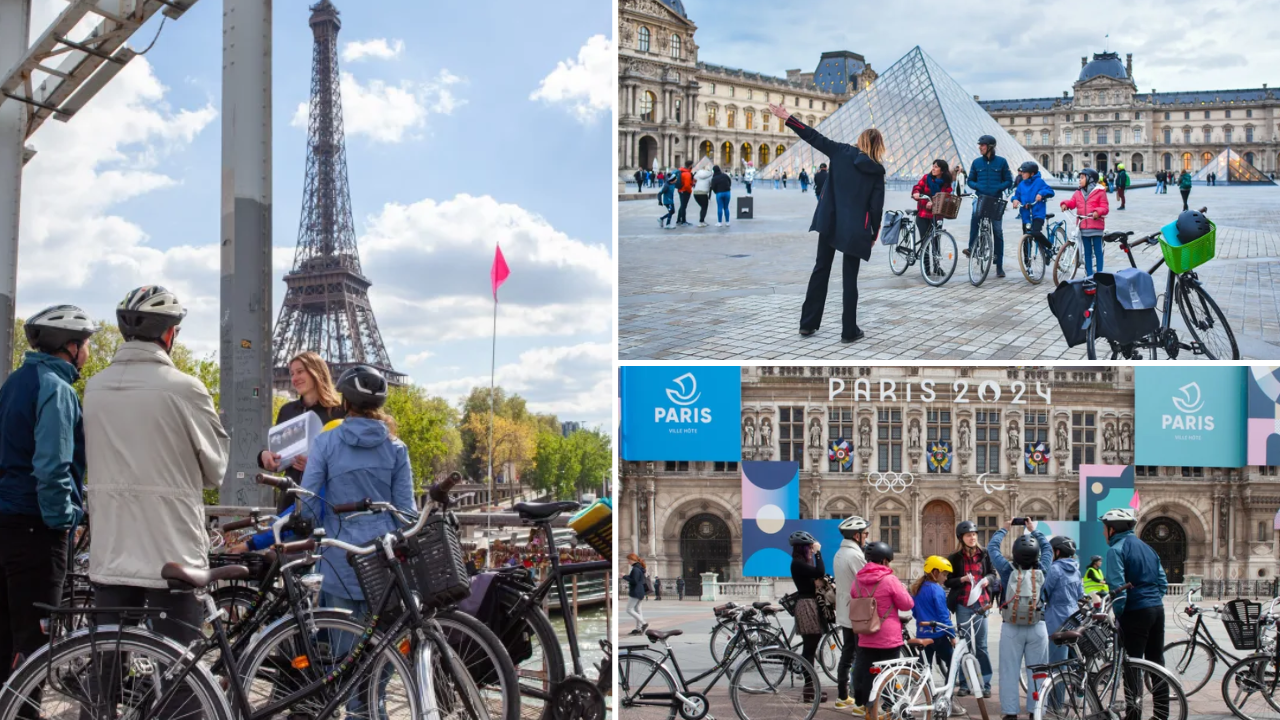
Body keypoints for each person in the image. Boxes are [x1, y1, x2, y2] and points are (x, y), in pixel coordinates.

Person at [83, 286, 229, 717]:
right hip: (171, 550)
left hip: (111, 547)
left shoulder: (94, 387)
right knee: (180, 670)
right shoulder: (186, 389)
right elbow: (215, 470)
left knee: (106, 669)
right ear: (169, 336)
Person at [0, 305, 96, 687]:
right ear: (69, 347)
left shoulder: (14, 383)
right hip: (37, 529)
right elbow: (52, 466)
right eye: (86, 343)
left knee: (6, 635)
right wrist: (65, 519)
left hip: (6, 522)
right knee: (36, 642)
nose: (88, 351)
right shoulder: (56, 389)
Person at [770, 102, 885, 344]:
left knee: (821, 269)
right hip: (856, 229)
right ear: (878, 146)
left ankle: (807, 324)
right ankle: (848, 331)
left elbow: (812, 136)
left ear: (861, 140)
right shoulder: (877, 170)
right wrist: (873, 233)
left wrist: (787, 117)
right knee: (849, 279)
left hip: (830, 221)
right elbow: (876, 207)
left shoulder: (840, 152)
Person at [1101, 508, 1169, 720]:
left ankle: (1133, 716)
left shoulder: (1116, 550)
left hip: (1135, 612)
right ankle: (1161, 715)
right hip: (1157, 610)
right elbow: (1162, 583)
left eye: (1104, 528)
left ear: (1112, 529)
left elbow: (1117, 588)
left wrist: (1119, 617)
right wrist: (1152, 600)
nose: (1104, 533)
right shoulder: (1148, 548)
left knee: (1131, 665)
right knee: (1156, 663)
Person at [259, 351, 345, 512]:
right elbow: (278, 454)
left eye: (300, 371)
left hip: (327, 501)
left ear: (316, 372)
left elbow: (349, 461)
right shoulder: (287, 410)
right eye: (292, 374)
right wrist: (264, 456)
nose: (294, 378)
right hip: (290, 499)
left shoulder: (340, 412)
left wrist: (316, 466)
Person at [987, 521, 1052, 720]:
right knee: (1038, 671)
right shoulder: (1043, 567)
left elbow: (992, 548)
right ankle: (1036, 709)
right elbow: (1048, 547)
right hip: (1037, 624)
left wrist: (1004, 528)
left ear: (1014, 554)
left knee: (1009, 671)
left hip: (1011, 627)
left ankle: (1010, 712)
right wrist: (1034, 530)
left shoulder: (1007, 570)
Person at [852, 541, 913, 713]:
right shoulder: (890, 580)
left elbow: (853, 596)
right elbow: (907, 604)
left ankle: (867, 706)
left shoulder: (857, 580)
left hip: (865, 635)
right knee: (889, 675)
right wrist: (902, 589)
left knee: (867, 673)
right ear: (885, 561)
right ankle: (888, 706)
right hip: (888, 638)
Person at [946, 520, 995, 697]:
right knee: (963, 645)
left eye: (974, 534)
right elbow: (947, 581)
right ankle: (965, 684)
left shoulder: (985, 554)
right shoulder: (955, 557)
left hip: (981, 604)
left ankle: (986, 684)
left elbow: (993, 574)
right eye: (969, 535)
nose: (973, 537)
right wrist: (961, 580)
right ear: (961, 538)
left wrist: (988, 579)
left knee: (981, 646)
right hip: (963, 605)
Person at [964, 135, 1013, 278]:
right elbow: (970, 181)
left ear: (990, 146)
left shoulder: (1002, 162)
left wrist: (998, 187)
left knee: (997, 231)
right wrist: (977, 185)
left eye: (983, 145)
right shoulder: (976, 163)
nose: (980, 147)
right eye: (980, 145)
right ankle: (972, 247)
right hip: (981, 198)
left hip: (996, 199)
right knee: (974, 218)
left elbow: (1009, 181)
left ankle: (999, 265)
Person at [833, 516, 869, 710]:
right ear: (856, 535)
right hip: (857, 612)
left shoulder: (840, 552)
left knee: (847, 653)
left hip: (846, 611)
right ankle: (859, 702)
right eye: (865, 534)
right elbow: (867, 580)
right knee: (861, 656)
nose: (867, 538)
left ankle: (842, 696)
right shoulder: (854, 555)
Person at [789, 530, 828, 704]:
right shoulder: (797, 564)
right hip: (806, 606)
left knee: (810, 649)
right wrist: (819, 552)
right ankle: (810, 690)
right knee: (809, 650)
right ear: (803, 548)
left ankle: (811, 689)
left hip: (810, 604)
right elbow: (820, 571)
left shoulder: (800, 563)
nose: (812, 550)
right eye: (810, 548)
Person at [912, 556, 957, 696]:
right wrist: (952, 635)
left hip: (922, 634)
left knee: (925, 668)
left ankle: (929, 695)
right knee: (954, 663)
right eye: (944, 574)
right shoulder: (937, 590)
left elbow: (915, 612)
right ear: (935, 572)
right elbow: (943, 616)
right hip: (937, 635)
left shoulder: (917, 588)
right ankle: (947, 695)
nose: (945, 578)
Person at [1060, 168, 1109, 277]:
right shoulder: (1078, 193)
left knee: (1097, 251)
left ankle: (1100, 274)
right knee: (1087, 252)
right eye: (1079, 178)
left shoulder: (1100, 192)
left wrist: (1097, 212)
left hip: (1096, 226)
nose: (1079, 180)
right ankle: (1090, 275)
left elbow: (1105, 207)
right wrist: (1065, 204)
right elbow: (1073, 202)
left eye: (1082, 178)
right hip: (1083, 226)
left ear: (1090, 179)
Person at [1043, 536, 1084, 665]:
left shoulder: (1054, 569)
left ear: (1058, 552)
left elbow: (1043, 593)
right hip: (1074, 617)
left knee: (1057, 663)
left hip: (1057, 618)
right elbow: (1080, 595)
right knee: (1072, 659)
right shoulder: (1076, 570)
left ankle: (1060, 686)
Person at [1010, 161, 1055, 267]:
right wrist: (1015, 200)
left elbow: (1051, 192)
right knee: (1026, 239)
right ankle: (1027, 264)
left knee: (1035, 232)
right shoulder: (1021, 184)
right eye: (1022, 172)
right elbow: (1016, 195)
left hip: (1038, 214)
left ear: (1032, 173)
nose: (1022, 174)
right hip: (1026, 215)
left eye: (1024, 172)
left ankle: (1049, 246)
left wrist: (1041, 194)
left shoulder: (1039, 182)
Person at [625, 552, 649, 635]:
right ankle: (638, 628)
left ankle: (644, 623)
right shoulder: (640, 568)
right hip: (640, 591)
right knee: (638, 610)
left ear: (632, 560)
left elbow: (634, 581)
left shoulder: (635, 569)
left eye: (628, 560)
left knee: (629, 609)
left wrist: (624, 576)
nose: (628, 562)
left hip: (636, 592)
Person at [692, 162, 714, 227]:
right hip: (703, 193)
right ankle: (701, 221)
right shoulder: (710, 175)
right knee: (704, 208)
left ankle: (702, 220)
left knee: (702, 207)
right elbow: (711, 184)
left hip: (696, 193)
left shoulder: (698, 174)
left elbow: (694, 180)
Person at [676, 160, 694, 226]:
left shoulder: (682, 171)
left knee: (682, 205)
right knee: (684, 206)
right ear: (690, 166)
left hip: (681, 190)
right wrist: (690, 190)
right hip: (685, 191)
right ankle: (683, 221)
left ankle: (678, 220)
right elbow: (687, 185)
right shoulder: (687, 174)